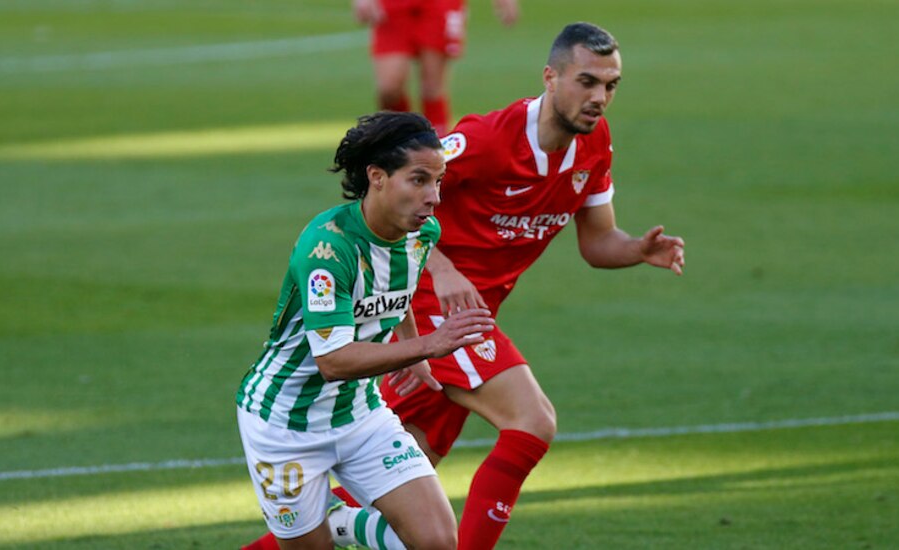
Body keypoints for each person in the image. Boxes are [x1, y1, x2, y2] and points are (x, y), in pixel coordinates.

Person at [244, 21, 686, 550]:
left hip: (451, 325)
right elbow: (409, 184)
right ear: (551, 77)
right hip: (436, 311)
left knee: (406, 491)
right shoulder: (486, 140)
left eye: (611, 85)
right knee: (532, 420)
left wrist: (637, 250)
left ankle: (334, 525)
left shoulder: (593, 148)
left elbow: (598, 244)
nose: (600, 97)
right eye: (587, 82)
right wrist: (441, 269)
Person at [235, 111, 495, 550]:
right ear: (377, 176)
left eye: (438, 181)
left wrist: (410, 346)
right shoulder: (329, 248)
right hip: (284, 424)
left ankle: (340, 521)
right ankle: (337, 524)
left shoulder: (420, 232)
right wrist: (429, 346)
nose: (433, 197)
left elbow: (399, 290)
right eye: (418, 180)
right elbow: (333, 361)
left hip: (360, 414)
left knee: (438, 542)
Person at [351, 0, 520, 134]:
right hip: (392, 5)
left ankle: (437, 152)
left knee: (432, 87)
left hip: (439, 4)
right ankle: (401, 137)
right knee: (389, 88)